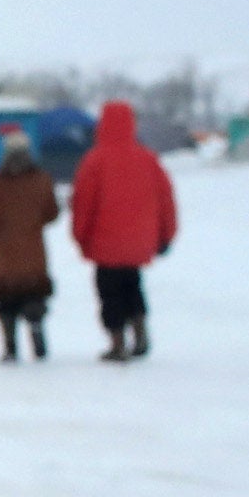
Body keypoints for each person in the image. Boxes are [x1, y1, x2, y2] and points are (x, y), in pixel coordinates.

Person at [68, 98, 178, 362]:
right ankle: (140, 333)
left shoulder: (94, 161)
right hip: (139, 243)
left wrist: (80, 236)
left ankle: (118, 343)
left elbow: (83, 204)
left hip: (105, 245)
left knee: (110, 293)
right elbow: (166, 200)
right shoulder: (148, 159)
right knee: (133, 286)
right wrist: (166, 235)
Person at [0, 131, 59, 362]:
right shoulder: (42, 179)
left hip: (5, 257)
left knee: (7, 303)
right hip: (34, 253)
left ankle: (10, 347)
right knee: (33, 297)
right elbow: (52, 213)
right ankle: (37, 333)